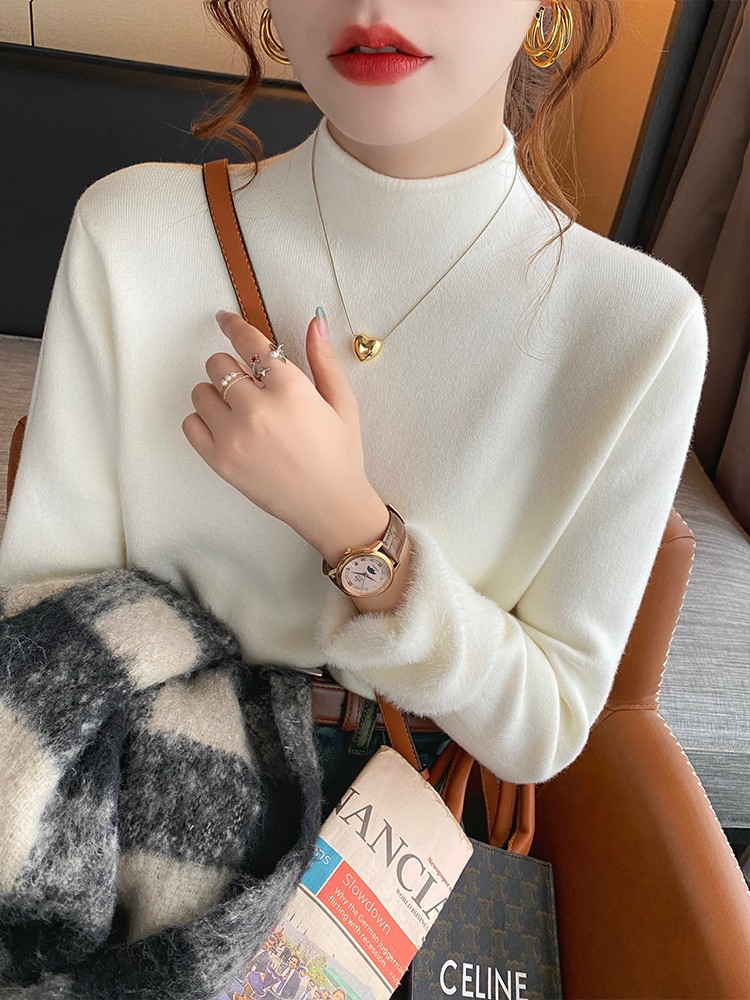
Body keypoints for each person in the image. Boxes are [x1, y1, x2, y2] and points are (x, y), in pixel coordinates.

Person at [0, 0, 708, 826]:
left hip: (406, 842)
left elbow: (540, 730)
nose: (374, 5)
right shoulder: (130, 231)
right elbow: (44, 636)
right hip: (128, 810)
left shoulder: (636, 327)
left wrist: (352, 529)